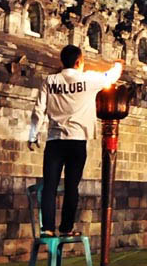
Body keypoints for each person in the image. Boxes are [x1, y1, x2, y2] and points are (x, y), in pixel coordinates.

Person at [28, 45, 123, 236]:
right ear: (79, 61)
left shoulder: (50, 80)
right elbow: (110, 77)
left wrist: (33, 134)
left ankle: (47, 228)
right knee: (72, 187)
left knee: (50, 186)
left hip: (55, 140)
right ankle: (66, 228)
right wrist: (118, 65)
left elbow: (39, 109)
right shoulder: (87, 79)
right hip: (77, 140)